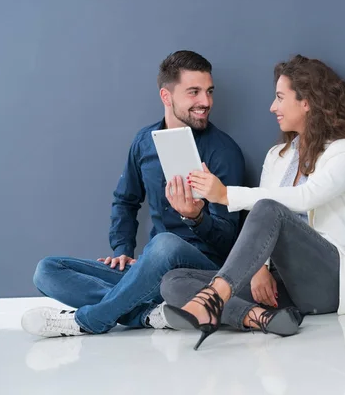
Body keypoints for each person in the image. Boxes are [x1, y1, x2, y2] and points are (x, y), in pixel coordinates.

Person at [159, 55, 345, 350]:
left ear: (307, 102)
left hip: (332, 282)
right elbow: (262, 222)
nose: (273, 107)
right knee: (173, 281)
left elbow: (305, 197)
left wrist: (226, 195)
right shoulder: (276, 155)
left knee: (269, 206)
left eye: (280, 97)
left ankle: (217, 298)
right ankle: (256, 317)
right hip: (284, 287)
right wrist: (259, 269)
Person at [21, 50, 245, 337]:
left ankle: (90, 320)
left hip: (198, 272)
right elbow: (125, 201)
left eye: (209, 92)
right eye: (194, 92)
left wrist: (196, 217)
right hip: (148, 269)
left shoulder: (223, 152)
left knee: (165, 243)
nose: (206, 102)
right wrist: (123, 250)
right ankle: (148, 315)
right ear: (167, 97)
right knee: (47, 270)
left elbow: (229, 239)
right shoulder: (144, 143)